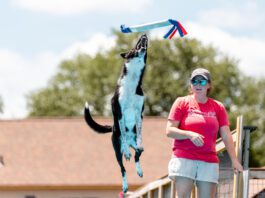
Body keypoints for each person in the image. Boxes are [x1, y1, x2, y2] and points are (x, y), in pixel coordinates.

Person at [166, 68, 243, 198]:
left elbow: (226, 135)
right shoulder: (181, 102)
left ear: (209, 85)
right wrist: (189, 134)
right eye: (194, 81)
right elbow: (169, 131)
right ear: (190, 84)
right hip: (184, 158)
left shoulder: (218, 107)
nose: (198, 84)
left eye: (202, 82)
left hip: (208, 160)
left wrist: (234, 160)